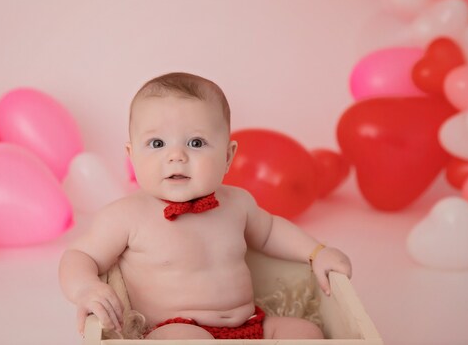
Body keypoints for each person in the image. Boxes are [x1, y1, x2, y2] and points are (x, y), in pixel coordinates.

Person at [59, 72, 352, 340]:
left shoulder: (237, 203)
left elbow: (271, 231)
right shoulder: (126, 215)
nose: (176, 156)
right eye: (157, 143)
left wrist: (317, 252)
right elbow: (80, 254)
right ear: (132, 155)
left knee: (306, 332)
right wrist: (86, 288)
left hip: (251, 323)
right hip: (175, 328)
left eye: (196, 143)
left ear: (227, 156)